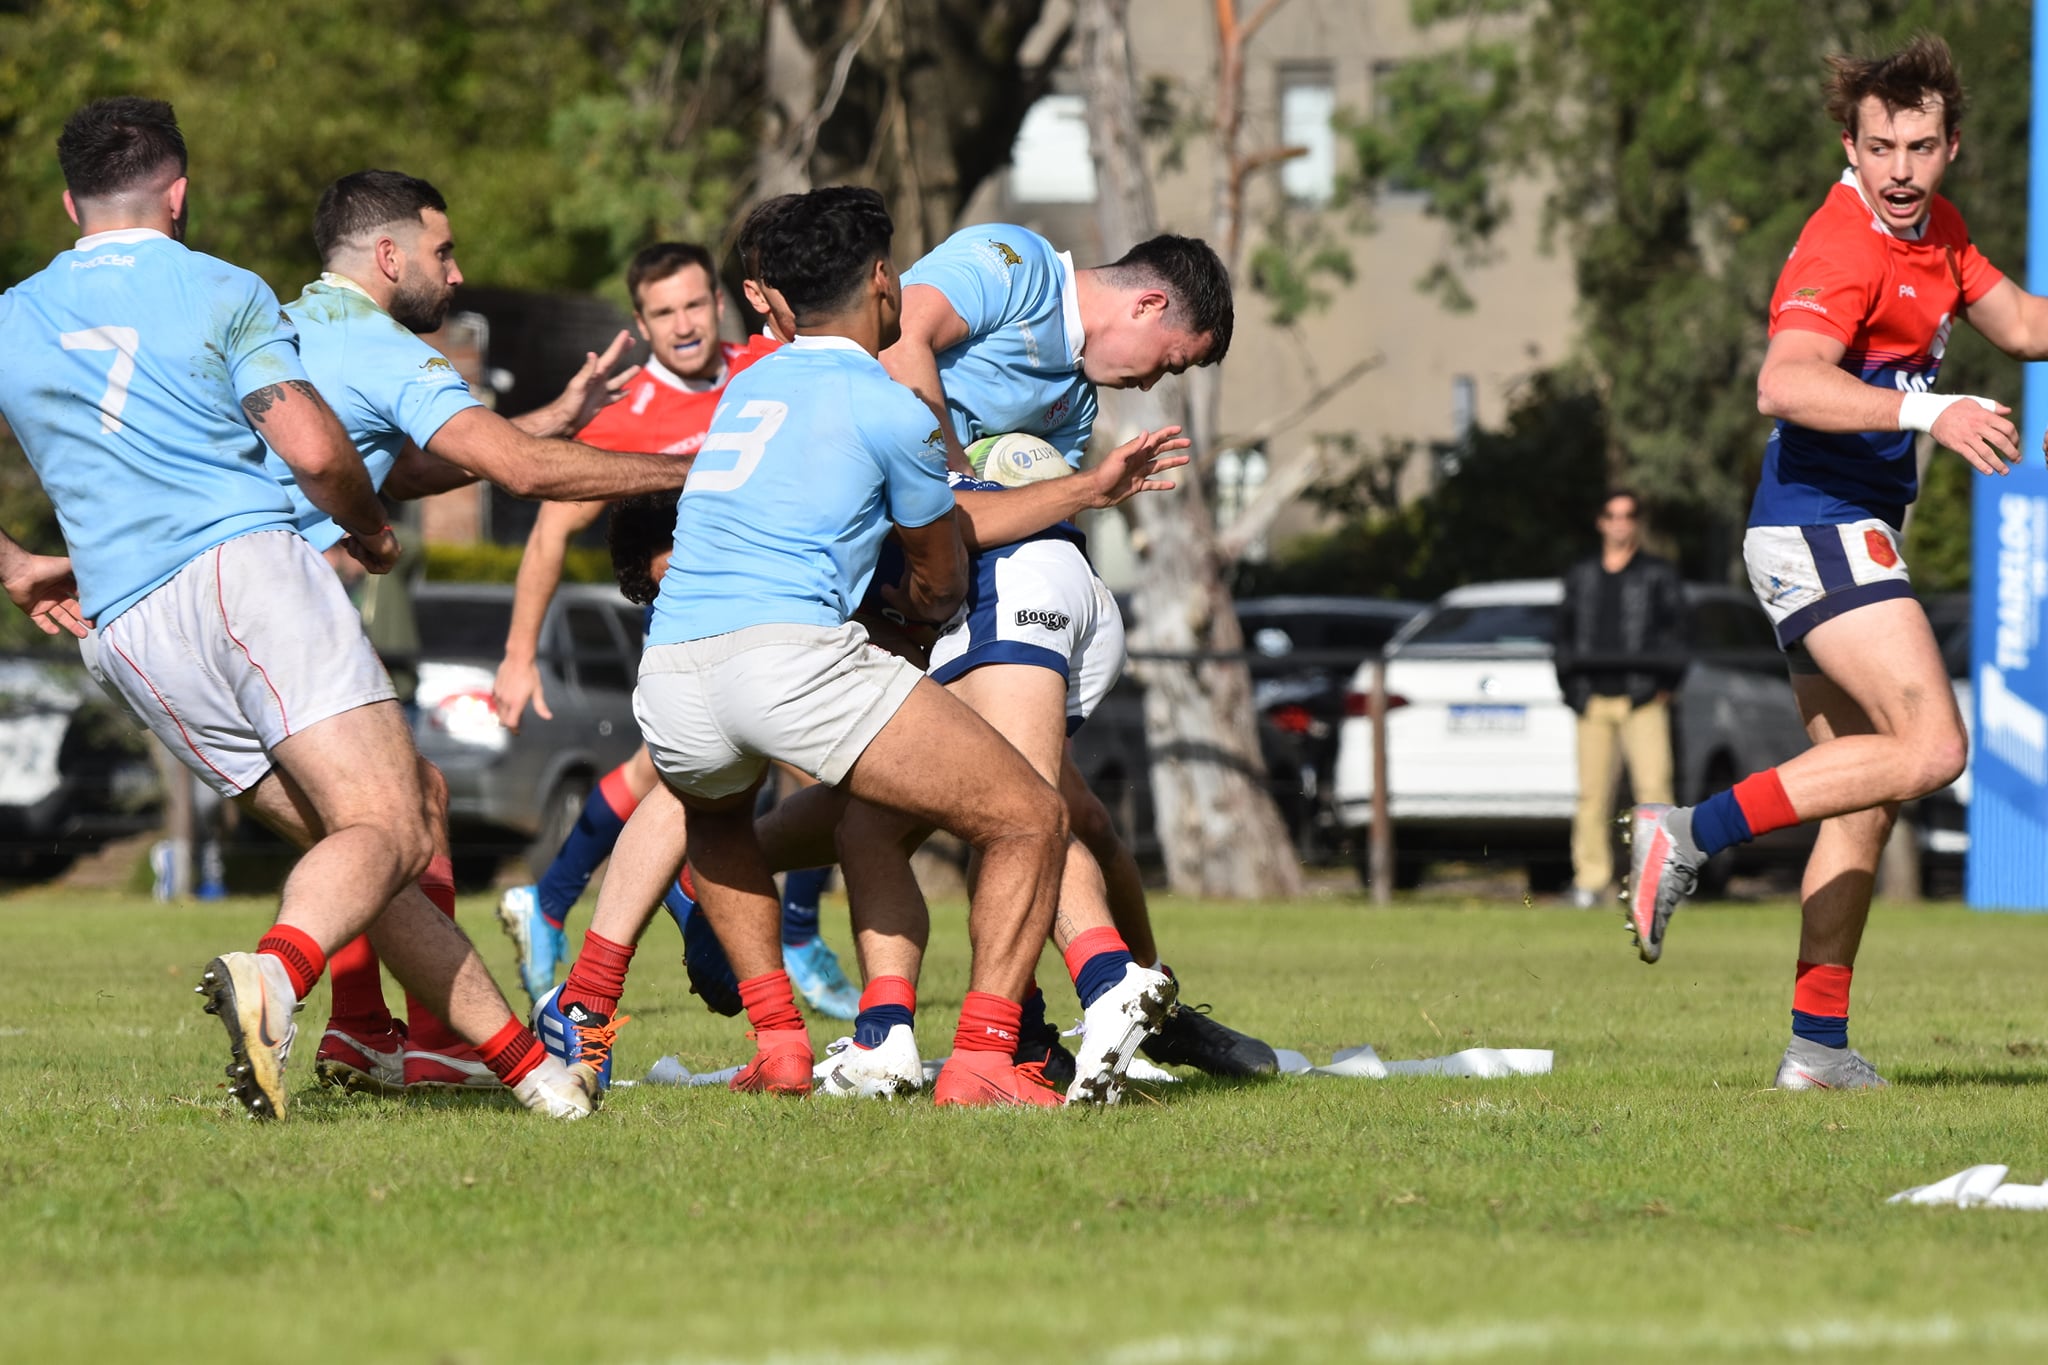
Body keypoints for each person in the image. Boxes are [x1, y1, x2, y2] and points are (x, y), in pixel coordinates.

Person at [0, 98, 595, 1120]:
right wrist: (365, 531)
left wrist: (16, 561)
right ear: (178, 194)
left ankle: (533, 1081)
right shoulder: (223, 288)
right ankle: (276, 974)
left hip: (128, 629)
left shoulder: (12, 313)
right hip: (246, 576)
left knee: (359, 847)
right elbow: (316, 454)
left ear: (68, 202)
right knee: (396, 828)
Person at [542, 185, 1117, 1107]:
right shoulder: (891, 405)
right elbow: (939, 572)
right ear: (882, 281)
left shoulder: (747, 384)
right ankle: (983, 1058)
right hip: (791, 659)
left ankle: (777, 1043)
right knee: (1027, 817)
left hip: (674, 666)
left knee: (721, 821)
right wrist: (918, 613)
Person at [1625, 35, 2048, 1090]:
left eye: (1917, 146)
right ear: (1847, 147)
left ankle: (1815, 1048)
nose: (1898, 170)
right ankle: (1685, 831)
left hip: (1836, 529)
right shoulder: (1840, 247)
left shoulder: (1937, 233)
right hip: (1813, 527)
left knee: (1862, 793)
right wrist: (1931, 408)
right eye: (1877, 148)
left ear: (1949, 146)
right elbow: (1783, 383)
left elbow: (2027, 327)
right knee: (1934, 744)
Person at [272, 169, 696, 1093]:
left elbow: (403, 467)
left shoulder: (293, 323)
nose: (457, 275)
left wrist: (548, 420)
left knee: (394, 801)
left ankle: (371, 1030)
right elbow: (523, 474)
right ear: (390, 256)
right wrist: (694, 464)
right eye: (443, 250)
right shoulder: (381, 345)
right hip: (277, 608)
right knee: (395, 811)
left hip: (223, 608)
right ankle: (345, 1006)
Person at [874, 221, 1278, 1080]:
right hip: (916, 589)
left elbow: (1007, 517)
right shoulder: (1013, 265)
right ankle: (1090, 995)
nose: (1156, 379)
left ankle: (1139, 1001)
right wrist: (954, 480)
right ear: (1149, 301)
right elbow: (898, 335)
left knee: (1060, 815)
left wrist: (1073, 494)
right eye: (1169, 359)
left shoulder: (1075, 403)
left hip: (969, 588)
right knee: (1006, 811)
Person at [488, 235, 867, 1019]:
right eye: (664, 313)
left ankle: (554, 904)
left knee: (662, 779)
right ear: (641, 321)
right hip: (684, 619)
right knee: (783, 768)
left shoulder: (767, 366)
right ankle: (781, 934)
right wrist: (519, 656)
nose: (685, 324)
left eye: (696, 303)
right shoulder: (628, 415)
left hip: (774, 601)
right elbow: (551, 532)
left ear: (722, 302)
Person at [1553, 489, 1685, 909]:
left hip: (1642, 698)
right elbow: (1562, 633)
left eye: (1628, 515)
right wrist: (1571, 687)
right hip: (1592, 700)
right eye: (1612, 515)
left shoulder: (1658, 574)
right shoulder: (1582, 575)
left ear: (1637, 522)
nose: (1620, 523)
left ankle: (1657, 882)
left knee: (1654, 791)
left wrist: (1665, 681)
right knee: (1592, 796)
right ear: (1601, 522)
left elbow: (1678, 632)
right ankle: (1590, 882)